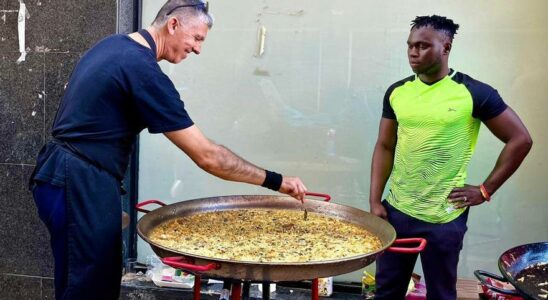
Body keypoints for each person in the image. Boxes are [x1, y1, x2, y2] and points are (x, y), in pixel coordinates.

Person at [28, 1, 308, 299]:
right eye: (197, 38)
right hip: (79, 182)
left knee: (82, 281)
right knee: (87, 290)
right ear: (173, 24)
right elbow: (208, 156)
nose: (198, 49)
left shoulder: (113, 46)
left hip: (62, 176)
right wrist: (277, 181)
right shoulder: (142, 69)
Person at [369, 15, 532, 300]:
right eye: (410, 45)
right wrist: (374, 200)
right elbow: (385, 146)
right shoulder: (398, 92)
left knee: (442, 294)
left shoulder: (474, 93)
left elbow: (520, 140)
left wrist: (485, 190)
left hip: (444, 217)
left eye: (422, 45)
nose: (413, 52)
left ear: (446, 47)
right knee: (386, 293)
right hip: (397, 211)